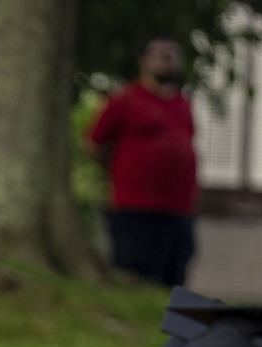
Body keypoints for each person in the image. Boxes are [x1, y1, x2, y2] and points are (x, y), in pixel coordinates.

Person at [85, 38, 199, 287]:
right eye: (159, 55)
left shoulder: (183, 103)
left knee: (174, 280)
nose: (166, 60)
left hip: (178, 210)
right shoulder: (123, 100)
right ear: (143, 61)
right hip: (134, 208)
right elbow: (94, 143)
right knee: (135, 277)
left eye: (172, 55)